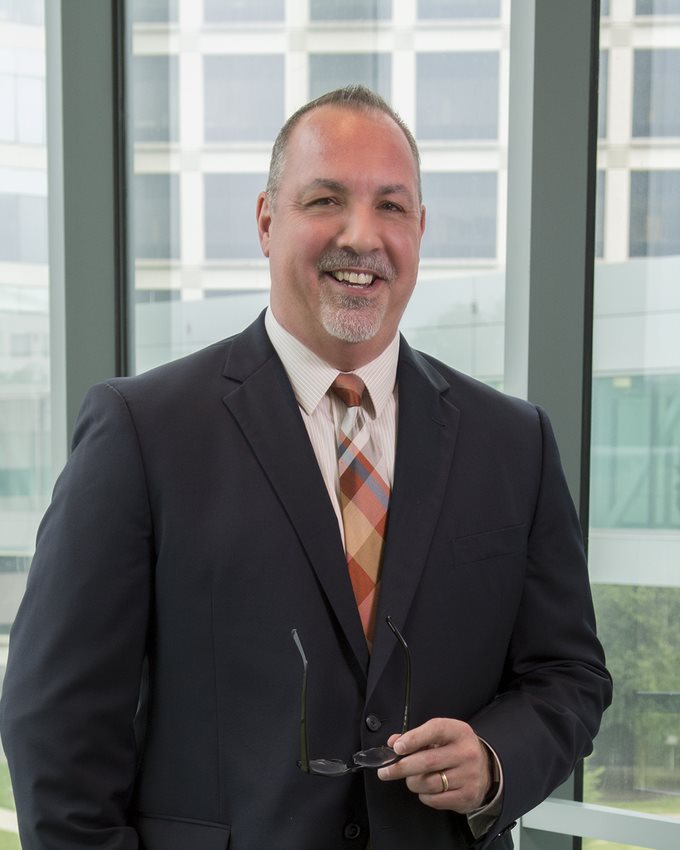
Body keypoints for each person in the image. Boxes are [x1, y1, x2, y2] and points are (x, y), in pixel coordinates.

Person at [0, 85, 611, 850]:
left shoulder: (514, 443)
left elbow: (570, 677)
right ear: (266, 221)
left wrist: (494, 760)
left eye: (392, 207)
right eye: (326, 199)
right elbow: (54, 726)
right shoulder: (142, 431)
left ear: (420, 229)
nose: (363, 236)